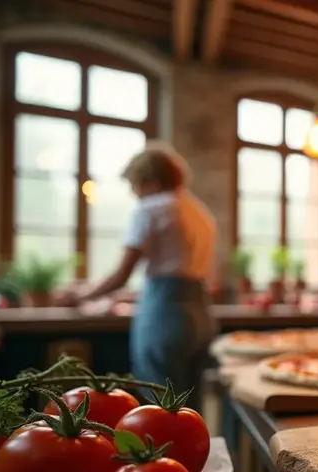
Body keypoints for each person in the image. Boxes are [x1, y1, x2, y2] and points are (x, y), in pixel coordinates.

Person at [60, 142, 217, 410]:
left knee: (158, 400)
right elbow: (179, 270)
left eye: (135, 186)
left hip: (165, 317)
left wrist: (80, 296)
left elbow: (122, 274)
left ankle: (164, 453)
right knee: (190, 403)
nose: (135, 195)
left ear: (151, 181)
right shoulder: (199, 212)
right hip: (201, 313)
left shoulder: (152, 208)